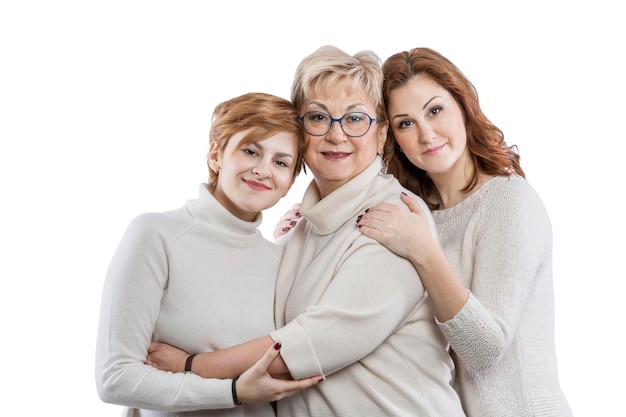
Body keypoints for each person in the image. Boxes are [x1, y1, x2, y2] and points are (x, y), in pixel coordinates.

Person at [146, 45, 466, 417]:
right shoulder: (300, 230)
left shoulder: (394, 218)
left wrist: (190, 367)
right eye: (318, 118)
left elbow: (313, 343)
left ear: (381, 137)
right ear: (300, 133)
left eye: (355, 119)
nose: (336, 135)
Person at [355, 47, 573, 417]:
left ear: (463, 105)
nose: (426, 134)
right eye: (405, 123)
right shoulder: (416, 213)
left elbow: (485, 351)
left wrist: (424, 250)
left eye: (435, 110)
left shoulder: (508, 200)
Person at [95, 92, 322, 417]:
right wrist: (233, 391)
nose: (263, 170)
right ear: (216, 155)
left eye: (281, 162)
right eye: (250, 151)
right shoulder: (156, 235)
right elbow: (115, 377)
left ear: (289, 184)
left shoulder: (281, 262)